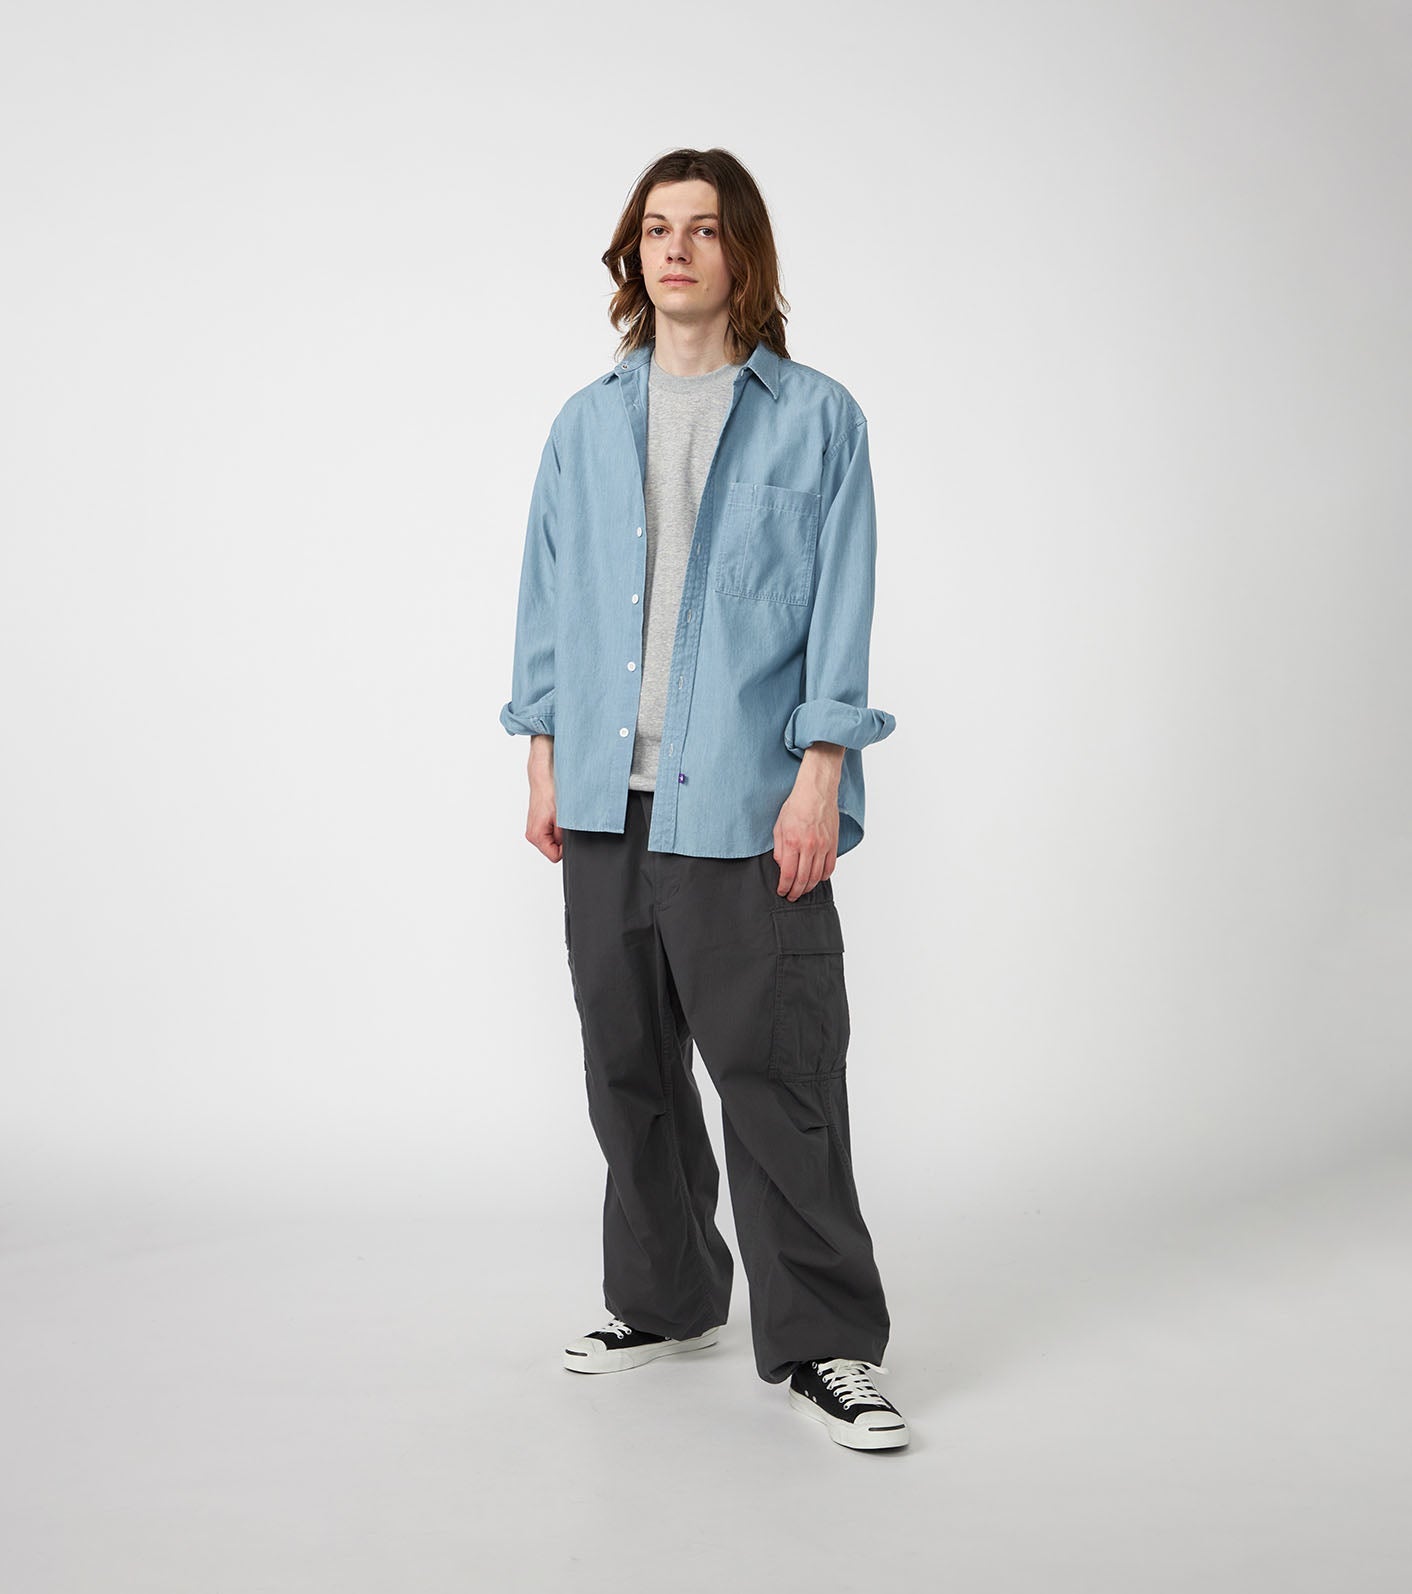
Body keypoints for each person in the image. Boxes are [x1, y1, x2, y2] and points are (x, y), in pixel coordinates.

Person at [498, 147, 907, 1451]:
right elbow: (546, 597)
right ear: (635, 253)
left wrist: (821, 774)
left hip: (745, 800)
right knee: (628, 1069)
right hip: (604, 801)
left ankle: (827, 1343)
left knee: (777, 1074)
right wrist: (542, 751)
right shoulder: (584, 424)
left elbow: (841, 604)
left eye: (705, 228)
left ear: (744, 254)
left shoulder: (817, 419)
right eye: (657, 228)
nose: (676, 248)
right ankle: (668, 1299)